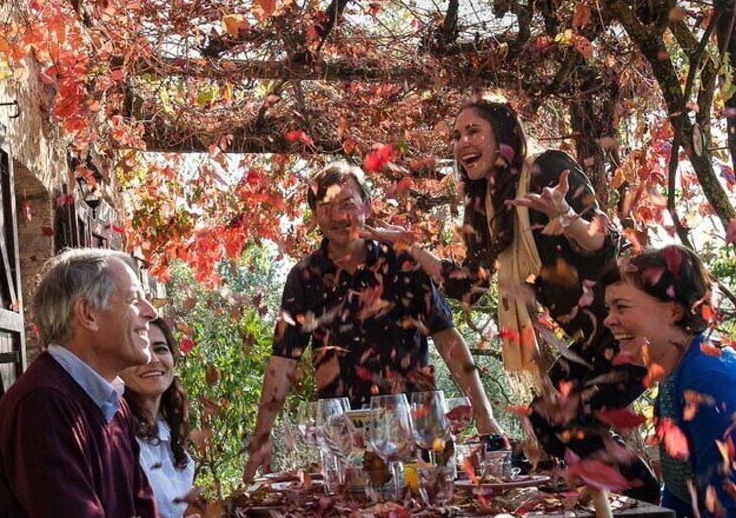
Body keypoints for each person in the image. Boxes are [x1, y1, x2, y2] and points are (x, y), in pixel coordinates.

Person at [363, 93, 658, 500]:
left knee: (576, 418)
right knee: (545, 416)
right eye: (457, 135)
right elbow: (470, 284)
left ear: (503, 135)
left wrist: (569, 221)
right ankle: (625, 497)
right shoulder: (487, 204)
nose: (462, 142)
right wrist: (411, 247)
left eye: (473, 131)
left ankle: (646, 501)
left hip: (637, 321)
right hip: (595, 335)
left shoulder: (547, 169)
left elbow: (603, 242)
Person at [242, 162, 502, 483]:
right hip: (346, 442)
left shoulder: (404, 262)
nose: (338, 217)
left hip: (416, 431)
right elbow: (283, 362)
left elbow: (447, 339)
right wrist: (262, 436)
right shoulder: (303, 277)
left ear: (367, 205)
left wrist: (484, 415)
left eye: (347, 204)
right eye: (325, 207)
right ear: (315, 215)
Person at [604, 244, 736, 516]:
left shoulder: (712, 383)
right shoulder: (679, 375)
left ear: (674, 311)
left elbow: (732, 511)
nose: (608, 320)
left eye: (621, 306)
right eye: (608, 308)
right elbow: (682, 490)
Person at [0, 248, 159, 517]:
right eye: (134, 300)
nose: (151, 312)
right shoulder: (41, 405)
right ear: (87, 314)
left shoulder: (113, 405)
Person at [122, 317, 195, 518]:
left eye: (160, 349)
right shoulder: (117, 436)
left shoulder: (168, 427)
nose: (152, 359)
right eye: (139, 350)